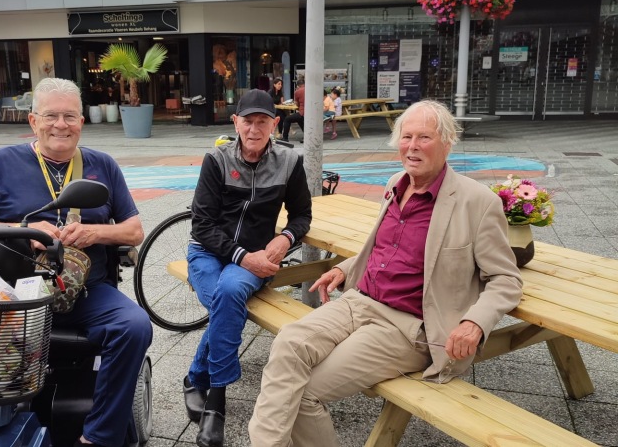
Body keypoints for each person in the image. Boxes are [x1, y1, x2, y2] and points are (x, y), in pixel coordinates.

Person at [248, 100, 523, 447]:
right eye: (406, 136)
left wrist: (476, 322)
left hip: (407, 326)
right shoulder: (396, 182)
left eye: (425, 137)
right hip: (359, 300)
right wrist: (345, 267)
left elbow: (506, 279)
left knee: (301, 392)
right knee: (289, 343)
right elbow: (387, 247)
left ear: (447, 142)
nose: (412, 146)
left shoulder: (477, 202)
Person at [0, 77, 153, 447]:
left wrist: (94, 233)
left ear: (81, 123)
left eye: (70, 116)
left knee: (134, 326)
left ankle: (100, 437)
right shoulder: (0, 163)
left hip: (83, 291)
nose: (61, 124)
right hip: (11, 295)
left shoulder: (102, 165)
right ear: (33, 121)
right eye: (52, 116)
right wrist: (20, 229)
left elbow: (134, 231)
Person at [185, 89, 312, 447]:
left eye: (262, 122)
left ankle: (210, 394)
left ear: (275, 124)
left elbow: (303, 215)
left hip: (259, 257)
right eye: (247, 121)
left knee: (228, 293)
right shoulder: (217, 159)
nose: (254, 129)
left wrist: (285, 238)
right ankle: (207, 387)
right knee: (227, 303)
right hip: (208, 253)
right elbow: (202, 225)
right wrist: (243, 257)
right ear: (236, 122)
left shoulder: (289, 161)